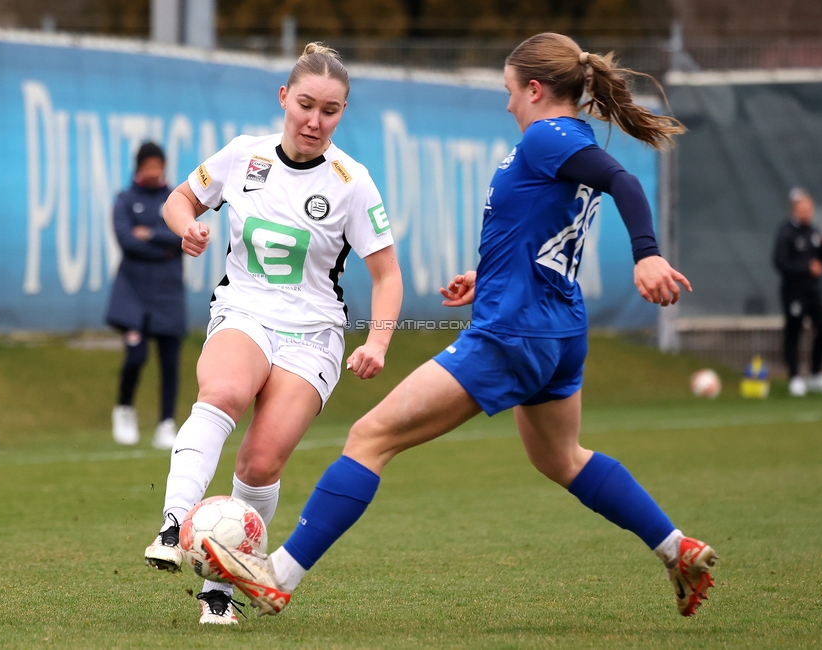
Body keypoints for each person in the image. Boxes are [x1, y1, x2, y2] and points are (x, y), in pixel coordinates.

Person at [201, 32, 718, 620]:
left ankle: (278, 576)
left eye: (508, 91)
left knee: (369, 438)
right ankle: (678, 549)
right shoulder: (568, 137)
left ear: (534, 89)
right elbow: (544, 229)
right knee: (561, 458)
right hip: (557, 329)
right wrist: (490, 274)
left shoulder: (547, 135)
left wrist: (646, 253)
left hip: (512, 333)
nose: (506, 104)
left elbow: (623, 180)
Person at [142, 43, 403, 626]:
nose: (315, 121)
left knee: (260, 464)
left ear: (341, 114)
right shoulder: (243, 156)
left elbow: (387, 275)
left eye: (330, 111)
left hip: (313, 336)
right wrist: (188, 227)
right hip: (244, 311)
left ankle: (223, 589)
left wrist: (378, 342)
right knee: (223, 395)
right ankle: (172, 523)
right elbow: (180, 199)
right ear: (284, 98)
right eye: (305, 104)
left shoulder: (352, 181)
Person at [106, 142, 185, 450]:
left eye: (158, 166)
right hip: (133, 291)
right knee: (136, 356)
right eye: (148, 166)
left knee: (170, 361)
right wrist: (162, 247)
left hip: (168, 291)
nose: (154, 172)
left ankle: (166, 422)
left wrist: (150, 234)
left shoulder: (174, 198)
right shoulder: (126, 200)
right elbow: (126, 240)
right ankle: (124, 408)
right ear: (138, 168)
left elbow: (182, 235)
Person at [773, 188, 822, 396]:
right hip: (793, 291)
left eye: (809, 208)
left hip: (813, 291)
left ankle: (816, 374)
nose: (806, 212)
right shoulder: (786, 232)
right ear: (795, 209)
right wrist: (806, 268)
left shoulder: (814, 232)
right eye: (802, 208)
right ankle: (795, 377)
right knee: (794, 331)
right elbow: (779, 262)